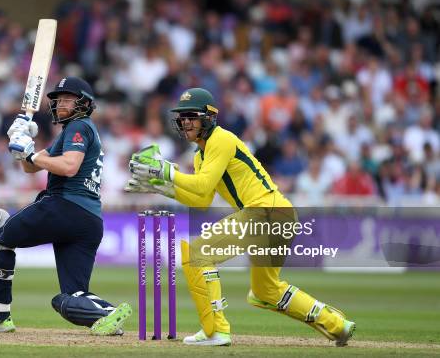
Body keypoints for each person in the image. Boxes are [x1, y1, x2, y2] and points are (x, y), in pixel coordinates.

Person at [127, 88, 355, 346]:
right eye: (182, 117)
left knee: (197, 253)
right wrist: (161, 187)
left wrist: (166, 171)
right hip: (280, 214)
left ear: (208, 118)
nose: (185, 122)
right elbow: (202, 199)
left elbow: (201, 186)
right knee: (265, 291)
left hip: (264, 212)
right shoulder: (201, 153)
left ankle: (216, 331)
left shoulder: (221, 139)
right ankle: (338, 325)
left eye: (191, 116)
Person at [0, 76, 131, 335]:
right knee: (71, 296)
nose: (60, 103)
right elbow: (30, 167)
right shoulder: (73, 132)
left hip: (64, 206)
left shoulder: (78, 127)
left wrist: (30, 153)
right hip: (90, 222)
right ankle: (107, 313)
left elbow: (69, 167)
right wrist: (21, 140)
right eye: (58, 99)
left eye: (67, 98)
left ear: (84, 103)